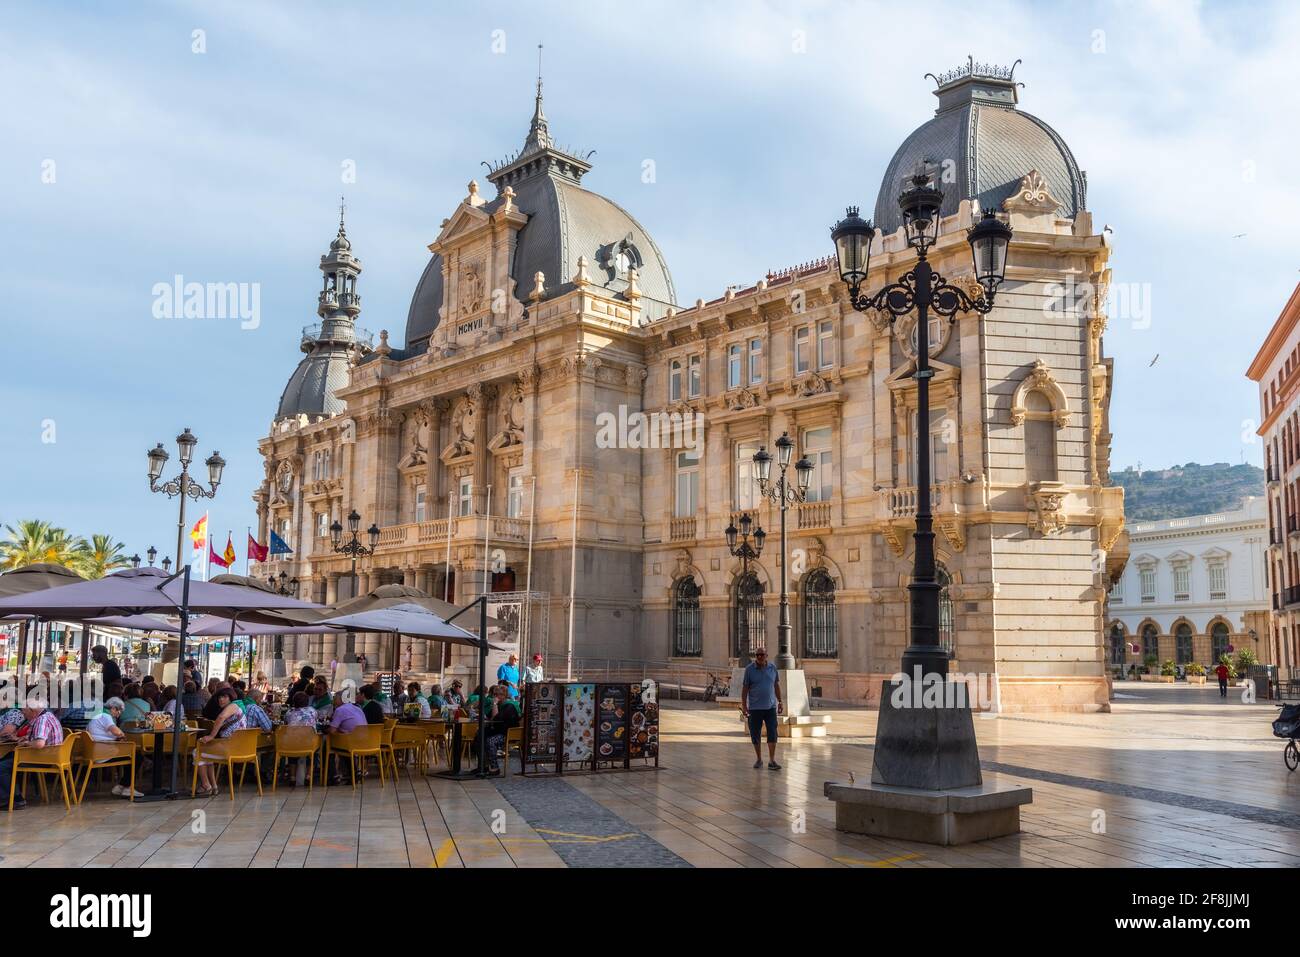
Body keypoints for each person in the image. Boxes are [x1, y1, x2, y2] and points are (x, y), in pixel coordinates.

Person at [0, 697, 65, 809]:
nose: (23, 714)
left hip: (43, 758)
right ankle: (8, 796)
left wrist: (26, 743)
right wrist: (27, 739)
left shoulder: (42, 720)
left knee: (2, 767)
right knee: (5, 759)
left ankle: (15, 799)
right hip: (51, 755)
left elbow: (39, 744)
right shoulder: (48, 715)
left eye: (24, 711)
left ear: (33, 712)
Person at [193, 688, 247, 798]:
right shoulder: (239, 706)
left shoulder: (233, 706)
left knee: (197, 752)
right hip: (239, 748)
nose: (221, 699)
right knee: (206, 751)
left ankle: (206, 785)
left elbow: (221, 717)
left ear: (231, 698)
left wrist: (211, 736)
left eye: (224, 697)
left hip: (230, 749)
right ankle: (213, 786)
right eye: (219, 697)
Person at [86, 697, 143, 798]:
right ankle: (127, 787)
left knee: (131, 755)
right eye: (119, 710)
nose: (119, 714)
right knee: (137, 756)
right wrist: (123, 736)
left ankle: (122, 786)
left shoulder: (97, 714)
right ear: (113, 708)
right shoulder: (105, 716)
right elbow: (117, 732)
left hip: (94, 751)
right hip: (103, 753)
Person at [740, 647, 782, 771]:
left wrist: (780, 701)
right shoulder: (749, 670)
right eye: (757, 655)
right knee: (755, 733)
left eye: (761, 655)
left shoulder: (772, 668)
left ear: (766, 655)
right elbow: (745, 689)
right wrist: (744, 705)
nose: (759, 657)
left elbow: (776, 685)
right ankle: (759, 759)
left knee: (772, 733)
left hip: (770, 707)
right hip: (755, 708)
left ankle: (772, 760)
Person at [483, 685, 521, 773]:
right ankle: (483, 766)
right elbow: (489, 716)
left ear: (504, 695)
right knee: (480, 736)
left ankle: (495, 768)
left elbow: (495, 719)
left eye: (498, 694)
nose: (495, 696)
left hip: (507, 734)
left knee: (490, 740)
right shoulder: (501, 705)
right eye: (494, 694)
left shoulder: (509, 706)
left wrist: (495, 704)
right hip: (499, 731)